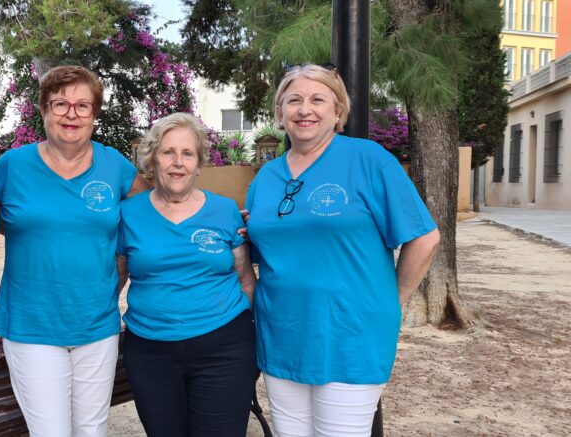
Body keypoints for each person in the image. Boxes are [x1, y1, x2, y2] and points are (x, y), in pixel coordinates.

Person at [245, 63, 440, 437]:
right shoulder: (266, 177)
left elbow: (424, 238)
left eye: (317, 99)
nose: (305, 109)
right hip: (282, 336)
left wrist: (392, 300)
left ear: (338, 111)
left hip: (351, 336)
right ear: (280, 113)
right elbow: (262, 246)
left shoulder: (368, 160)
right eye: (294, 100)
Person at [0, 65, 147, 436]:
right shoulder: (13, 165)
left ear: (94, 113)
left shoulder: (114, 166)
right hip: (31, 325)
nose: (71, 114)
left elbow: (155, 213)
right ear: (43, 110)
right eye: (60, 104)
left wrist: (224, 220)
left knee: (92, 430)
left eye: (82, 106)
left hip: (97, 323)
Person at [117, 112, 258, 436]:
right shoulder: (128, 214)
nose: (178, 162)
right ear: (152, 158)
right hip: (150, 352)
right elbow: (116, 278)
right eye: (168, 152)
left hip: (223, 349)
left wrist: (237, 333)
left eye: (187, 153)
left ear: (198, 162)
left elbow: (245, 280)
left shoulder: (224, 210)